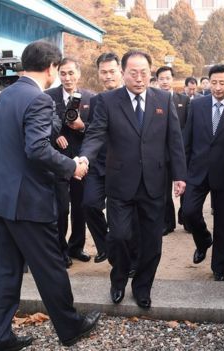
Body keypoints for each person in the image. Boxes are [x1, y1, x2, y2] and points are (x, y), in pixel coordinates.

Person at [0, 40, 100, 350]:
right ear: (50, 68)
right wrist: (70, 168)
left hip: (0, 197)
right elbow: (36, 149)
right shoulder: (38, 100)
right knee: (50, 267)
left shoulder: (4, 96)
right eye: (57, 69)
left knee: (6, 271)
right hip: (29, 201)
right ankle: (70, 326)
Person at [80, 50, 187, 309]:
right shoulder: (107, 101)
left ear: (150, 73)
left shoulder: (163, 98)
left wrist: (179, 175)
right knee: (118, 236)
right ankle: (118, 281)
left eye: (144, 73)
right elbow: (95, 133)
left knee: (152, 242)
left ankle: (142, 288)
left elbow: (174, 139)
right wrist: (84, 158)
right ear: (123, 72)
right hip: (120, 182)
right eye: (133, 72)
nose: (139, 78)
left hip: (154, 182)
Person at [182, 64, 224, 282]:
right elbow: (186, 140)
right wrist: (182, 171)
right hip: (197, 171)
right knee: (188, 212)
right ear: (208, 82)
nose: (217, 87)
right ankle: (203, 239)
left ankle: (220, 267)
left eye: (222, 83)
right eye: (213, 82)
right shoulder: (197, 105)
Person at [45, 58, 95, 266]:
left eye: (71, 73)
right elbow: (41, 124)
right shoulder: (47, 97)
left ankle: (77, 246)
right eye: (63, 73)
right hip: (58, 160)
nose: (67, 77)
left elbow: (97, 129)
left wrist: (82, 126)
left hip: (82, 159)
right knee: (61, 209)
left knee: (80, 207)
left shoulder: (90, 98)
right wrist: (55, 135)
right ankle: (60, 250)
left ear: (79, 74)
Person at [82, 52, 122, 263]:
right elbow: (94, 131)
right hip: (98, 165)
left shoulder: (130, 97)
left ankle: (123, 257)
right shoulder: (95, 100)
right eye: (103, 72)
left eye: (112, 71)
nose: (108, 76)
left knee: (120, 217)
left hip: (122, 167)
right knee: (89, 204)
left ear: (120, 71)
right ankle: (104, 246)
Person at [156, 66, 190, 235]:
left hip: (181, 151)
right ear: (156, 81)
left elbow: (187, 126)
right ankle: (167, 223)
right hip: (161, 153)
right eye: (161, 78)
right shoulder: (153, 100)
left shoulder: (183, 100)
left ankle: (185, 217)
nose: (165, 81)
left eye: (168, 78)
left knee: (184, 185)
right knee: (163, 190)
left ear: (172, 79)